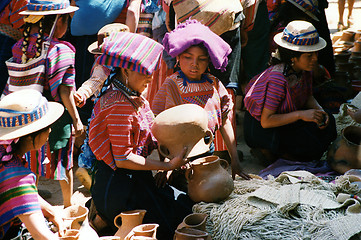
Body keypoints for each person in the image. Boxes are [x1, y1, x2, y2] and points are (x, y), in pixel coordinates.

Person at [88, 31, 194, 240]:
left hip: (136, 179)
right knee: (172, 223)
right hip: (121, 188)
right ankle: (104, 217)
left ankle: (102, 217)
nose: (150, 77)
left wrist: (171, 155)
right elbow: (123, 158)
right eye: (145, 72)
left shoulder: (133, 96)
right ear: (126, 70)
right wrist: (167, 166)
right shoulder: (119, 105)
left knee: (184, 204)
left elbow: (150, 137)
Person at [2, 0, 84, 208]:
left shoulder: (21, 46)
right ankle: (68, 207)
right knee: (63, 162)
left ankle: (32, 201)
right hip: (56, 114)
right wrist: (77, 119)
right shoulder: (62, 50)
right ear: (60, 22)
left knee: (31, 158)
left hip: (30, 115)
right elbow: (65, 91)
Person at [151, 19, 250, 180]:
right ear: (178, 58)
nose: (194, 64)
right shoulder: (171, 85)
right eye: (188, 57)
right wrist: (165, 166)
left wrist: (235, 160)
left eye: (201, 59)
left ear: (209, 60)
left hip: (206, 152)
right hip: (177, 157)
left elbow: (224, 121)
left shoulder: (214, 85)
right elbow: (159, 126)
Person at [243, 20, 337, 164]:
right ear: (294, 57)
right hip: (264, 128)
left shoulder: (304, 70)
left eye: (316, 53)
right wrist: (301, 115)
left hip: (287, 118)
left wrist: (319, 111)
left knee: (329, 122)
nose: (315, 58)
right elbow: (266, 121)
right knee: (307, 144)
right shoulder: (278, 79)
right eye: (309, 55)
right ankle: (268, 151)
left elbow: (307, 95)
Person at [0, 89, 66, 240]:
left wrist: (51, 211)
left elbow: (22, 195)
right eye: (46, 127)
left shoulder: (5, 153)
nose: (50, 131)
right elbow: (41, 234)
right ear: (30, 136)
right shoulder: (17, 175)